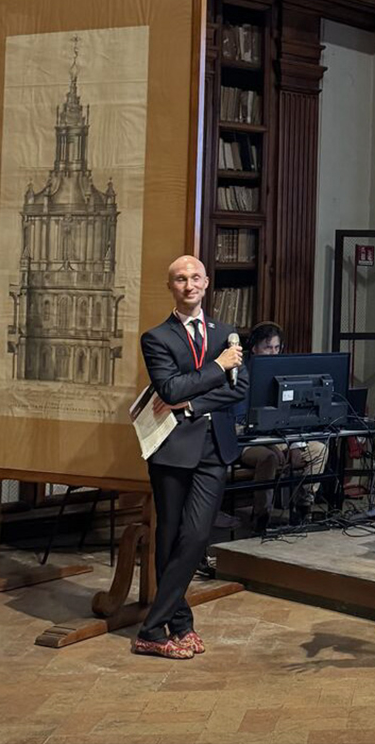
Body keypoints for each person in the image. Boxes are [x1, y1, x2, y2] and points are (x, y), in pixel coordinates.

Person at [133, 255, 247, 659]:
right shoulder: (156, 338)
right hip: (172, 450)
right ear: (171, 287)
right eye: (180, 279)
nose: (189, 284)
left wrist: (192, 404)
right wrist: (218, 367)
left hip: (214, 448)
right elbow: (169, 388)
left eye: (195, 277)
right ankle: (177, 624)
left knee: (197, 535)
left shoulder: (226, 333)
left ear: (206, 282)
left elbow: (239, 390)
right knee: (169, 538)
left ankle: (153, 626)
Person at [238, 321, 329, 531]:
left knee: (319, 450)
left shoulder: (283, 372)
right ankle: (261, 517)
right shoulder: (242, 373)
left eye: (276, 348)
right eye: (267, 348)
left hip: (279, 437)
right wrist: (272, 445)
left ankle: (302, 509)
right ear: (254, 348)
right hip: (247, 440)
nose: (273, 353)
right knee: (269, 458)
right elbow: (241, 422)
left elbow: (291, 416)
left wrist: (295, 445)